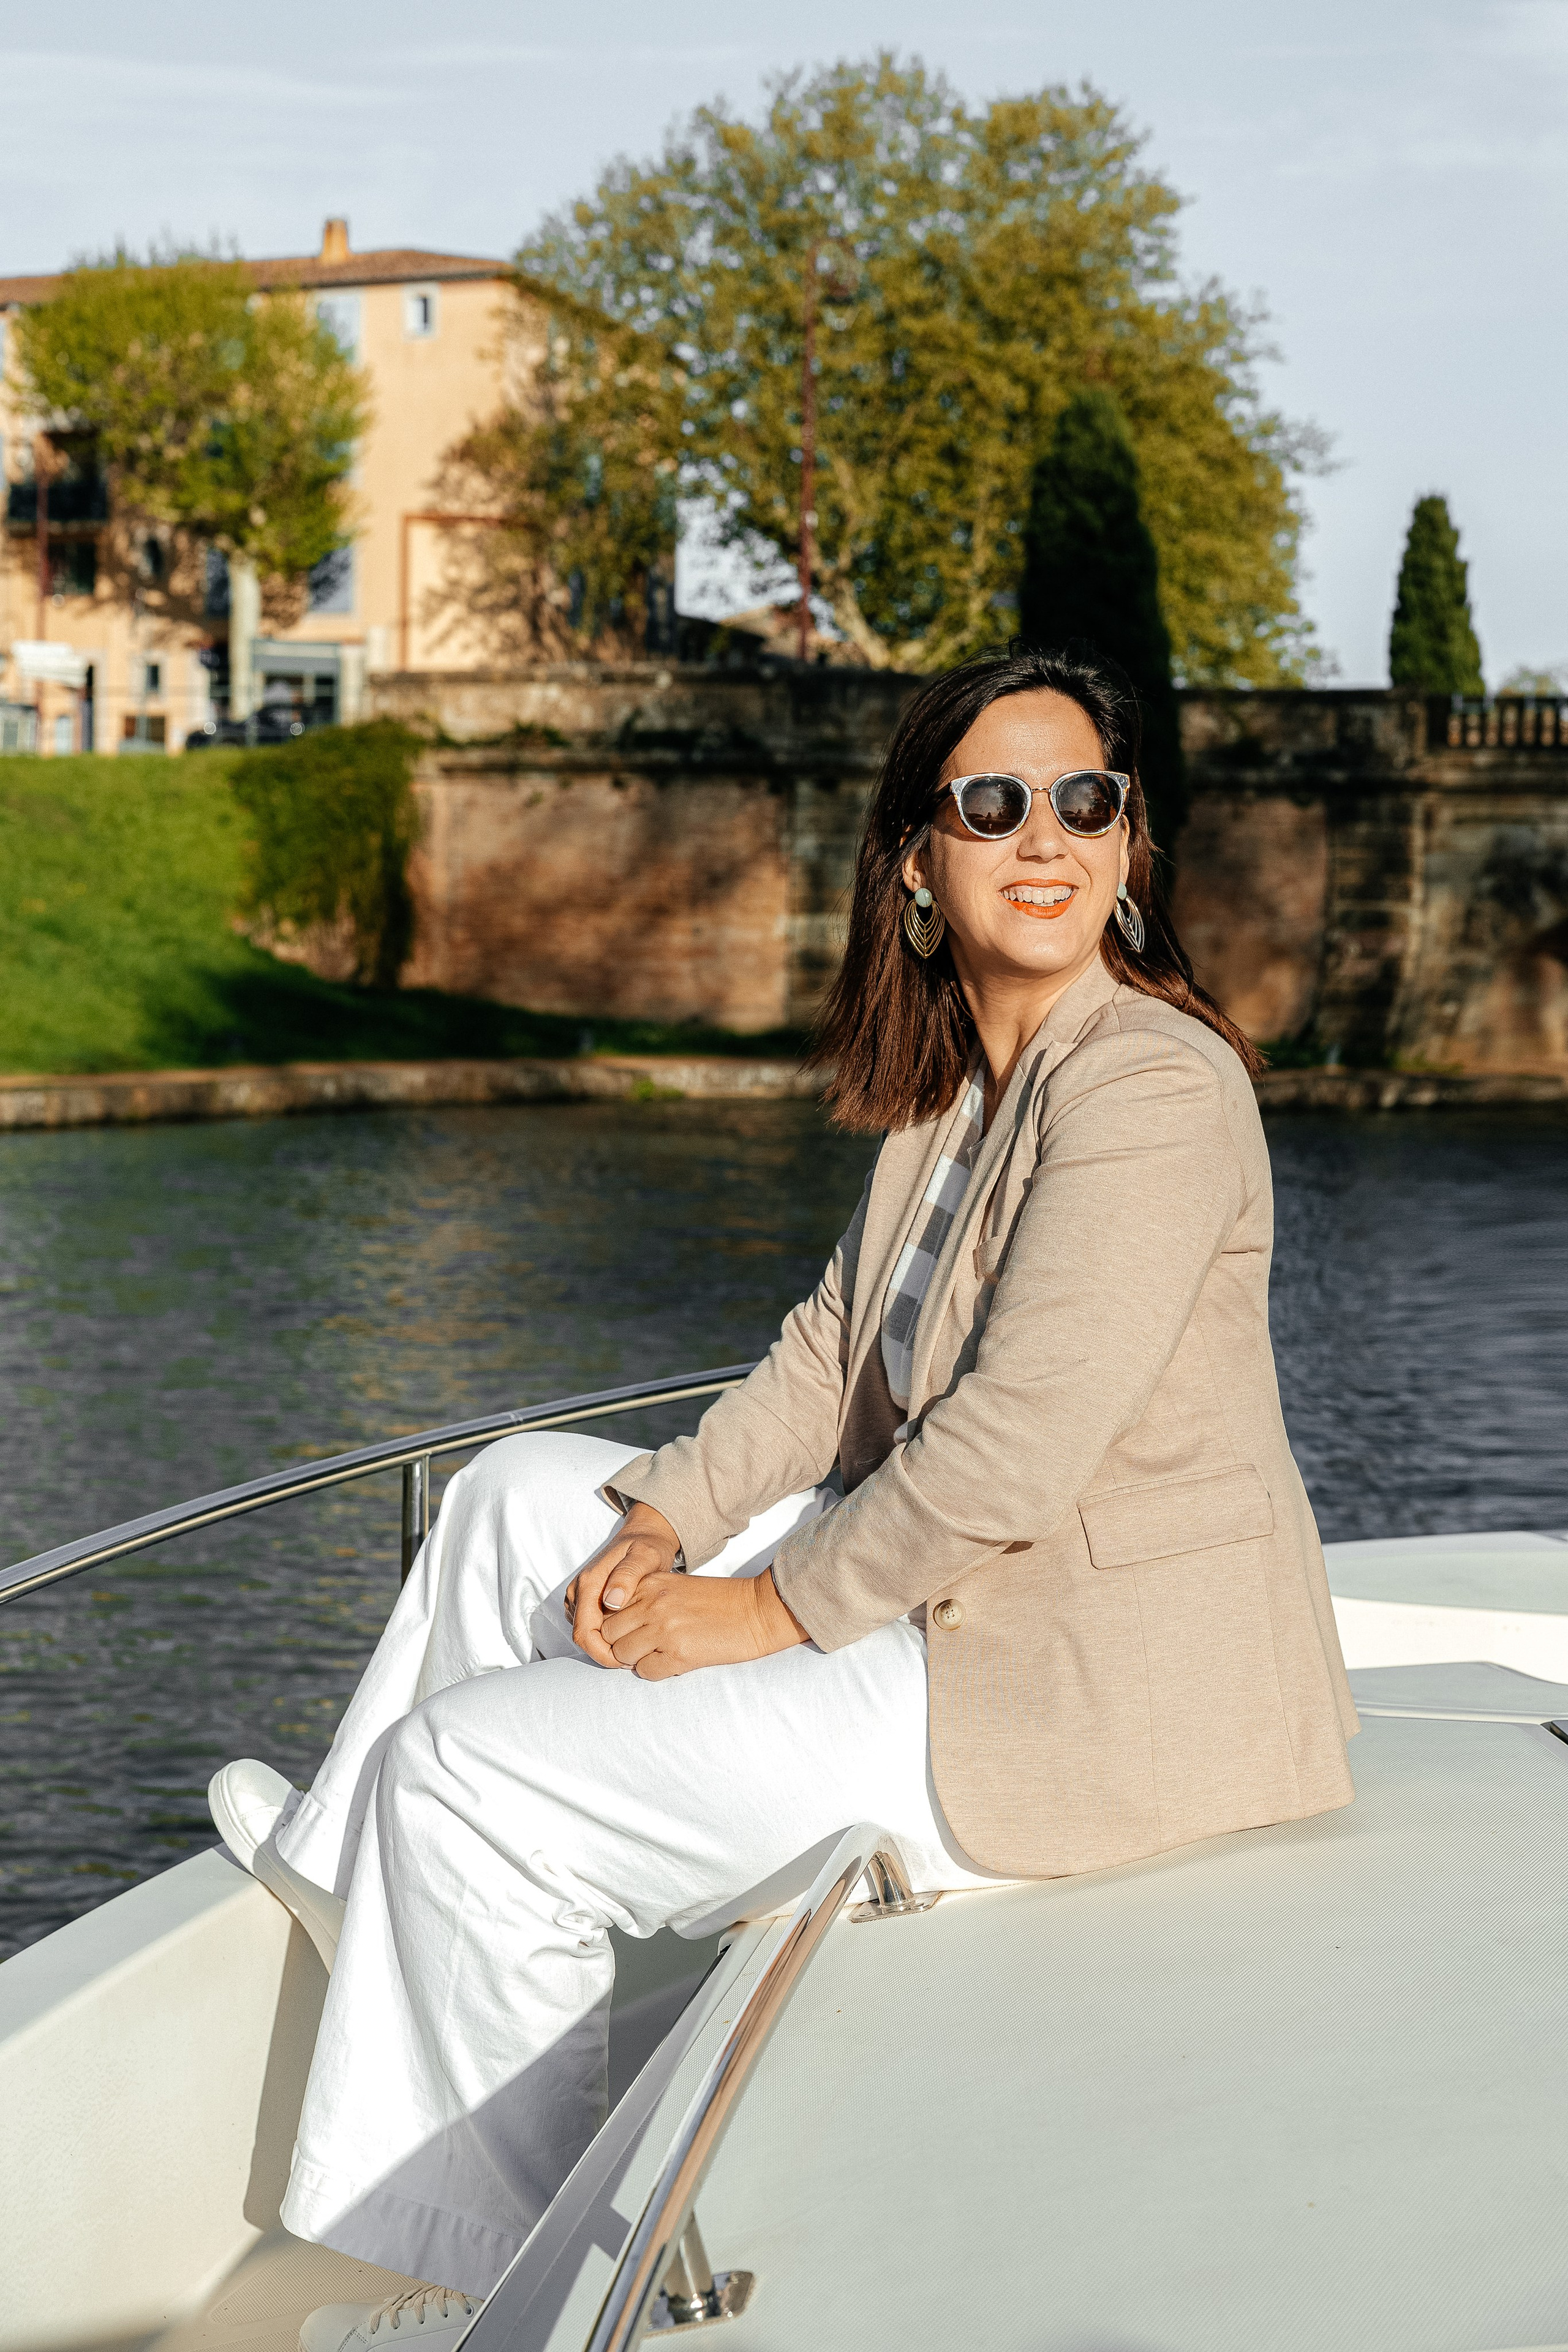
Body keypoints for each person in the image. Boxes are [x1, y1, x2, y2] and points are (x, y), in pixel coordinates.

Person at [209, 644, 1357, 2352]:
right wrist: (667, 1522)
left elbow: (1013, 1448)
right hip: (972, 1614)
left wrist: (751, 1609)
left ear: (1131, 852)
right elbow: (832, 1360)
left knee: (471, 1778)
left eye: (1084, 800)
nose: (1041, 833)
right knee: (527, 1499)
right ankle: (351, 1868)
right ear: (915, 857)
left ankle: (512, 2294)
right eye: (992, 802)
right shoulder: (963, 1093)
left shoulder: (1150, 1087)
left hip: (1078, 1695)